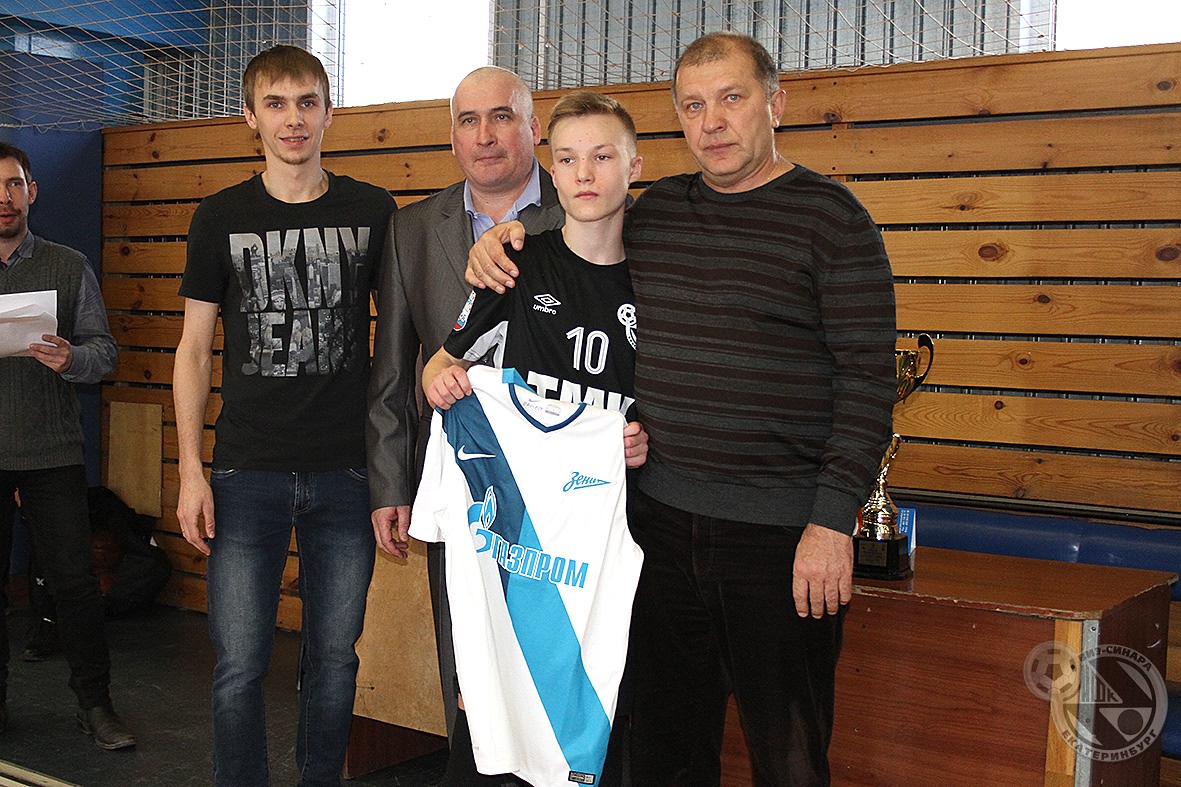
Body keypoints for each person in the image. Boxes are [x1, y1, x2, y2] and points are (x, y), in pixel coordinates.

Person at [466, 32, 898, 787]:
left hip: (779, 538)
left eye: (731, 99)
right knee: (665, 751)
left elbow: (867, 380)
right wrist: (507, 236)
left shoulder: (833, 220)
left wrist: (832, 523)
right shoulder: (658, 212)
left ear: (775, 103)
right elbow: (582, 223)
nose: (712, 122)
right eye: (693, 106)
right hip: (658, 529)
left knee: (789, 756)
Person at [173, 45, 395, 787]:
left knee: (334, 657)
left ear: (329, 112)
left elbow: (401, 339)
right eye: (275, 103)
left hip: (347, 473)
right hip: (247, 473)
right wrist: (191, 472)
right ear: (250, 117)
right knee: (240, 662)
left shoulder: (371, 211)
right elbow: (194, 350)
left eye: (306, 102)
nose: (292, 119)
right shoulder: (220, 215)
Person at [421, 90, 645, 787]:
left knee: (599, 714)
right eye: (568, 158)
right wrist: (443, 384)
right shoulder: (516, 261)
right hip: (518, 540)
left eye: (602, 156)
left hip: (610, 534)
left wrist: (645, 442)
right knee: (496, 724)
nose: (584, 174)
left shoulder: (658, 274)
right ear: (551, 166)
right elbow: (442, 365)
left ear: (634, 166)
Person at [0, 142, 133, 749]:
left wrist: (71, 357)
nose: (4, 198)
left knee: (76, 585)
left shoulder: (67, 265)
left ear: (33, 192)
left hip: (52, 452)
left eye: (14, 184)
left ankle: (96, 705)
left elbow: (104, 353)